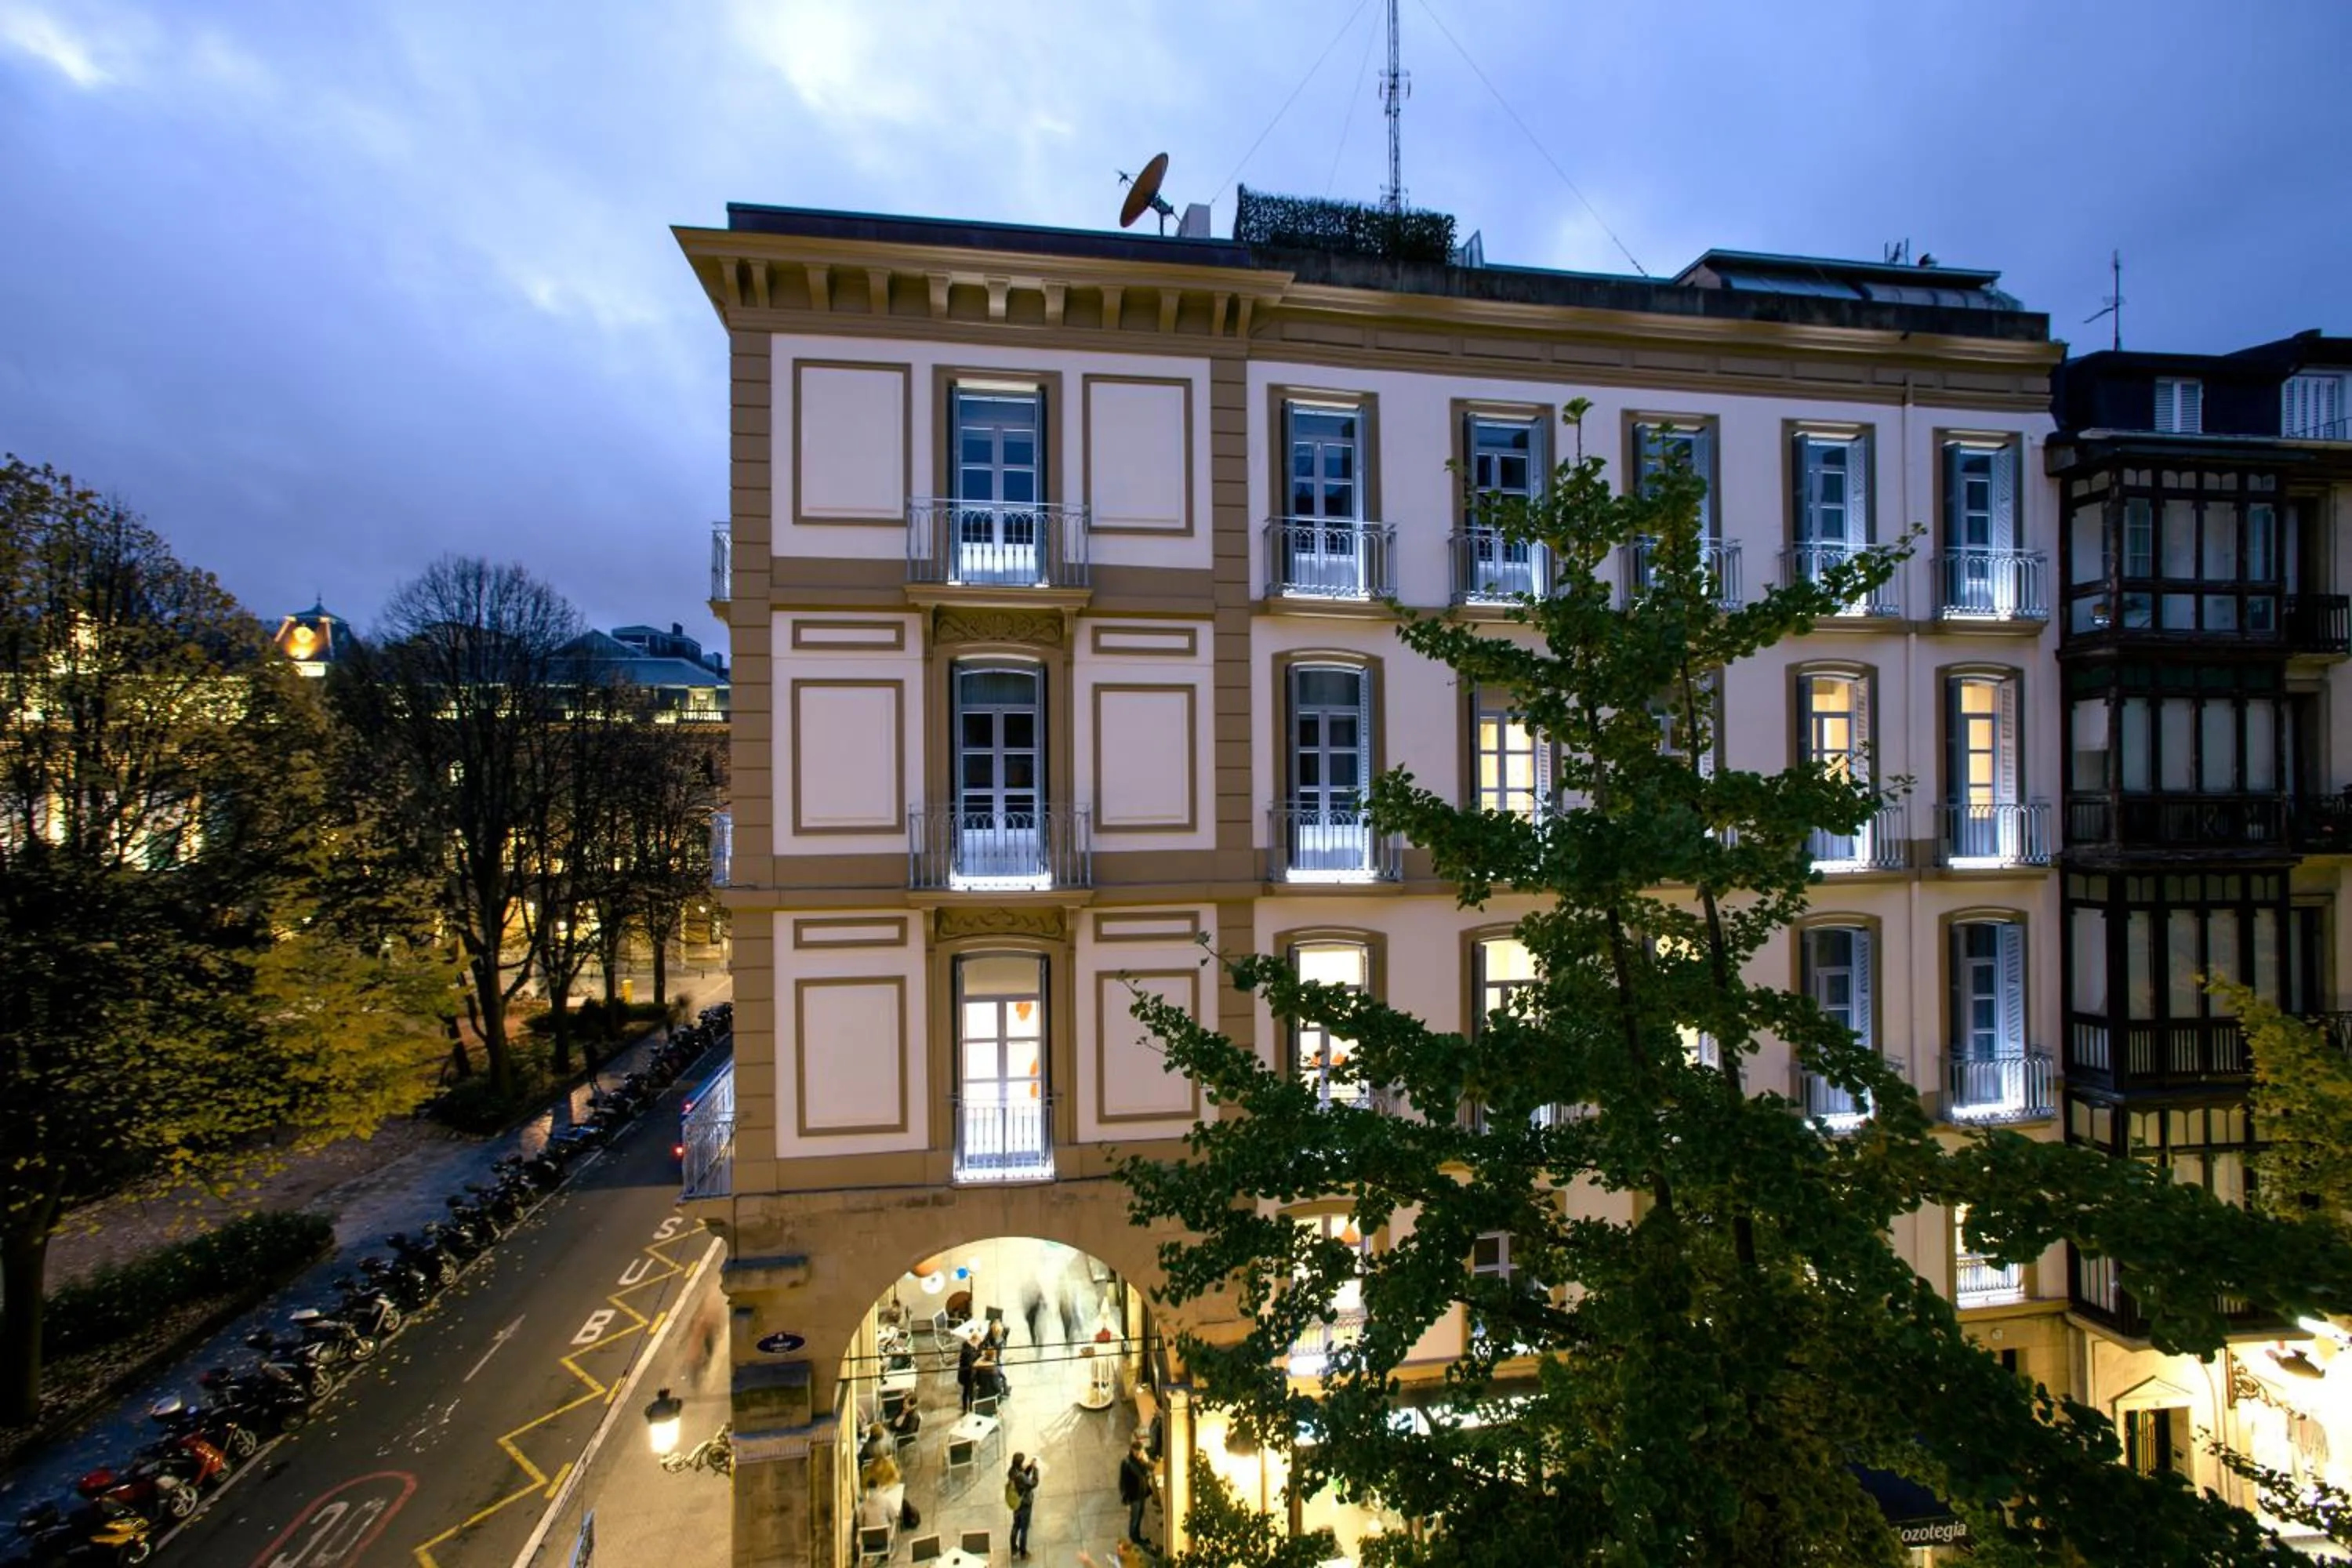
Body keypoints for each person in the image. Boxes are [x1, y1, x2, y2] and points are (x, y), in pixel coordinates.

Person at [1117, 1435, 1156, 1550]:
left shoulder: (1142, 1459)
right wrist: (1126, 1501)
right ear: (1132, 1451)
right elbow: (1123, 1483)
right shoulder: (1128, 1463)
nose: (1138, 1455)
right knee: (1134, 1519)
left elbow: (1153, 1467)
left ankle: (1137, 1538)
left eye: (1140, 1453)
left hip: (1142, 1494)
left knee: (1140, 1516)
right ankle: (1133, 1539)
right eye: (1136, 1453)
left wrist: (1146, 1460)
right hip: (1134, 1496)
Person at [1004, 1450, 1041, 1559]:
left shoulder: (1012, 1471)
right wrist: (1035, 1469)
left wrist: (1029, 1467)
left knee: (1016, 1525)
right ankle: (1023, 1553)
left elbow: (1022, 1476)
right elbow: (1032, 1483)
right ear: (1020, 1463)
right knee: (1024, 1529)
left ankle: (1013, 1548)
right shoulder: (1020, 1476)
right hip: (1024, 1505)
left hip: (1016, 1504)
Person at [957, 1335, 980, 1414]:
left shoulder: (966, 1347)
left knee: (966, 1392)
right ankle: (970, 1408)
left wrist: (976, 1352)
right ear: (974, 1341)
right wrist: (977, 1356)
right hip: (968, 1375)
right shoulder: (968, 1351)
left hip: (964, 1374)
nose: (978, 1344)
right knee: (970, 1392)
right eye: (978, 1342)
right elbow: (970, 1363)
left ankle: (966, 1408)